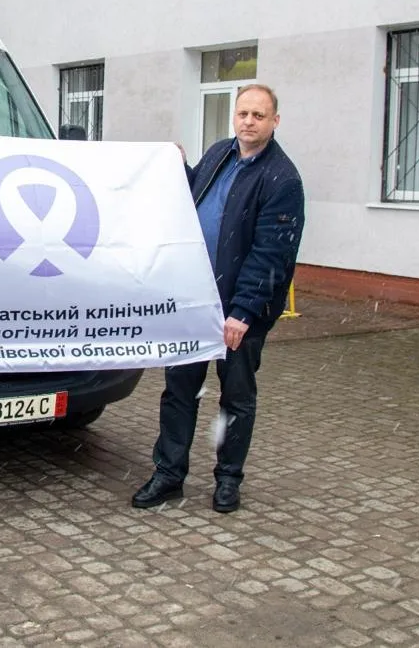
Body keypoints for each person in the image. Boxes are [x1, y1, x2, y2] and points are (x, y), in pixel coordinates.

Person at [133, 84, 304, 514]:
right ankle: (168, 474)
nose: (248, 122)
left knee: (236, 400)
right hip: (196, 301)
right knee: (179, 392)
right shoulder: (219, 154)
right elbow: (195, 193)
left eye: (258, 116)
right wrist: (177, 167)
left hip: (239, 313)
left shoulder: (282, 179)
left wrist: (243, 311)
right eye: (243, 113)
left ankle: (228, 480)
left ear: (275, 121)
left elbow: (272, 254)